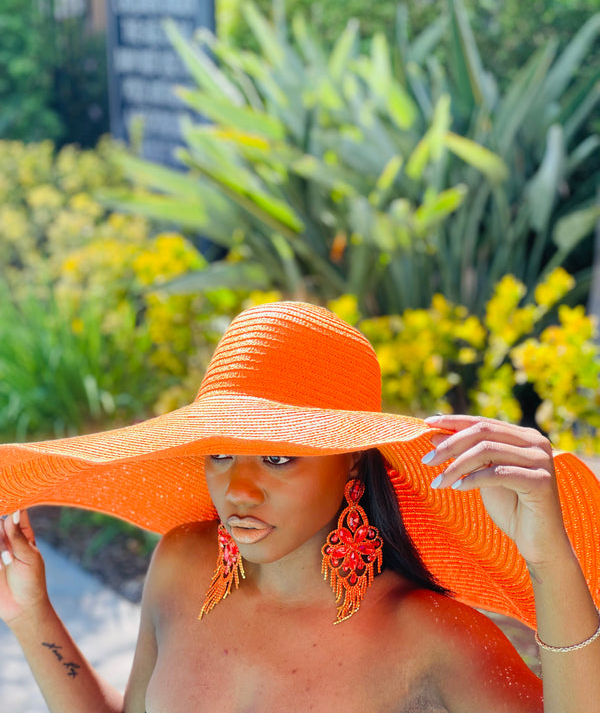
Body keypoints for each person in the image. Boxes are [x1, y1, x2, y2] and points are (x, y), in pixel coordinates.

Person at [0, 301, 599, 713]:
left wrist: (547, 558)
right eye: (221, 455)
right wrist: (31, 615)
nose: (239, 492)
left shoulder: (430, 636)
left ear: (354, 463)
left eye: (279, 459)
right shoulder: (183, 565)